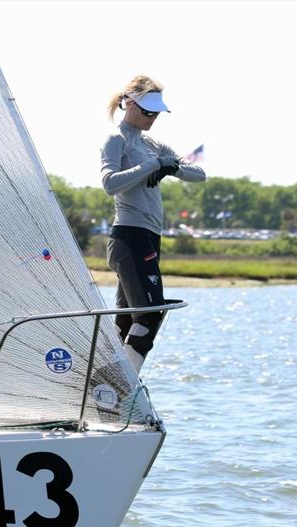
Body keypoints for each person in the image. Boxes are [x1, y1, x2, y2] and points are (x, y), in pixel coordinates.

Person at [100, 75, 206, 373]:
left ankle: (102, 385)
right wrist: (153, 165)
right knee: (149, 313)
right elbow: (109, 183)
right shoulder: (115, 140)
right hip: (128, 238)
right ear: (129, 104)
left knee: (126, 319)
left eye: (156, 113)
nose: (152, 118)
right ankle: (123, 384)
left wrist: (173, 166)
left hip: (149, 238)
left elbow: (199, 174)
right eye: (147, 111)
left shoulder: (153, 143)